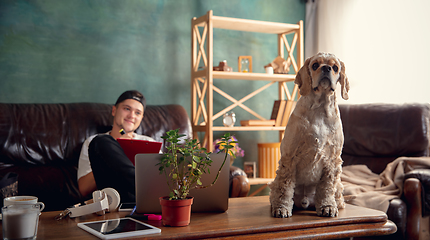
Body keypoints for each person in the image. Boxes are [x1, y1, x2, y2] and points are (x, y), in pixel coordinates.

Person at [77, 90, 157, 202]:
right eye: (127, 109)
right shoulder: (94, 143)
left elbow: (161, 179)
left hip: (143, 200)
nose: (131, 116)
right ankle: (146, 191)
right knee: (100, 141)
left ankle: (147, 193)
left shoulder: (150, 142)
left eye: (138, 113)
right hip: (116, 199)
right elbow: (84, 189)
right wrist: (114, 154)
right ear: (114, 110)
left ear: (142, 118)